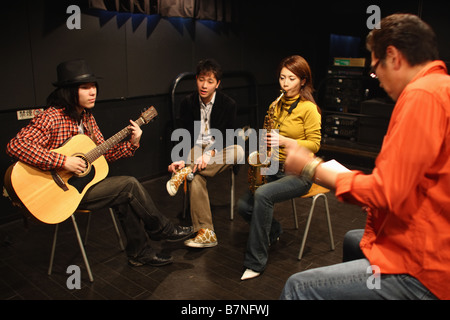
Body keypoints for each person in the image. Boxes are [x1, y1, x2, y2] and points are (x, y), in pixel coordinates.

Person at [280, 13, 449, 300]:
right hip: (432, 238)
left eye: (375, 69)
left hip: (426, 268)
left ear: (393, 56)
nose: (378, 80)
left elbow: (386, 192)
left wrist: (310, 167)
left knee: (298, 288)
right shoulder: (440, 87)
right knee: (352, 240)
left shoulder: (423, 95)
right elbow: (414, 184)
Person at [6, 59, 194, 268]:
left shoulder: (87, 118)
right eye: (85, 87)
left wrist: (133, 143)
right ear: (69, 91)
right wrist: (64, 161)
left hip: (81, 187)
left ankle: (139, 252)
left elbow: (104, 153)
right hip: (60, 194)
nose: (93, 91)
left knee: (125, 195)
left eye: (94, 86)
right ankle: (162, 229)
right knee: (129, 184)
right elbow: (16, 145)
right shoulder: (51, 117)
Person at [237, 55, 322, 280]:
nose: (285, 83)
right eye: (282, 78)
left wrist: (286, 141)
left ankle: (255, 262)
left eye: (291, 78)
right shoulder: (276, 105)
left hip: (300, 171)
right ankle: (273, 231)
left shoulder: (309, 109)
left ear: (303, 81)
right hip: (274, 164)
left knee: (263, 195)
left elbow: (315, 143)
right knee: (244, 205)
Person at [167, 58, 244, 248]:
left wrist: (211, 153)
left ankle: (188, 171)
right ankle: (206, 232)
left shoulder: (228, 104)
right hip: (196, 148)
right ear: (196, 79)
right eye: (201, 79)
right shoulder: (187, 103)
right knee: (196, 177)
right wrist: (178, 158)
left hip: (221, 149)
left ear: (218, 84)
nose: (204, 85)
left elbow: (230, 136)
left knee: (239, 150)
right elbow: (183, 135)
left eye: (210, 81)